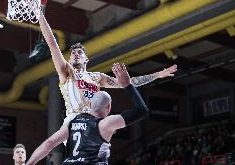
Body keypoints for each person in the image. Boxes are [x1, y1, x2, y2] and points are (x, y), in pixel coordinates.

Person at [38, 11, 177, 122]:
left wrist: (157, 75)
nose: (76, 54)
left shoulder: (97, 77)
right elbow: (52, 44)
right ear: (69, 59)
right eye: (73, 53)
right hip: (74, 122)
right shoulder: (67, 73)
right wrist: (39, 12)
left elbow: (129, 83)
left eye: (80, 52)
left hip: (94, 122)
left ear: (86, 59)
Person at [25, 63, 149, 165]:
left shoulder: (72, 122)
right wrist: (128, 85)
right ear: (109, 108)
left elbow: (49, 144)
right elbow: (142, 110)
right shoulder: (105, 124)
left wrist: (29, 164)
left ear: (89, 106)